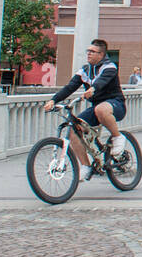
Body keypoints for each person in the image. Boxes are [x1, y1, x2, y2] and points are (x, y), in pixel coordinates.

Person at [43, 38, 126, 182]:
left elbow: (101, 82)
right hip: (96, 108)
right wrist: (53, 100)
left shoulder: (109, 67)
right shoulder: (85, 70)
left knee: (101, 109)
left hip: (115, 104)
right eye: (88, 51)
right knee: (74, 130)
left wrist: (93, 88)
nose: (89, 54)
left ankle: (118, 137)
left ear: (101, 54)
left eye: (93, 52)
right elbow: (70, 87)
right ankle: (86, 166)